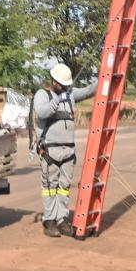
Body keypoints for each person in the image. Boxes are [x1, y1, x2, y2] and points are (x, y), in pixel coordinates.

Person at [32, 63, 97, 238]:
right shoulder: (43, 95)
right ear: (53, 81)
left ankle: (61, 219)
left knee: (63, 187)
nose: (64, 87)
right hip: (50, 151)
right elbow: (42, 112)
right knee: (49, 187)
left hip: (68, 150)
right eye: (61, 84)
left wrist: (104, 79)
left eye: (66, 85)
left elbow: (88, 91)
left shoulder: (70, 94)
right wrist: (56, 101)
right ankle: (49, 220)